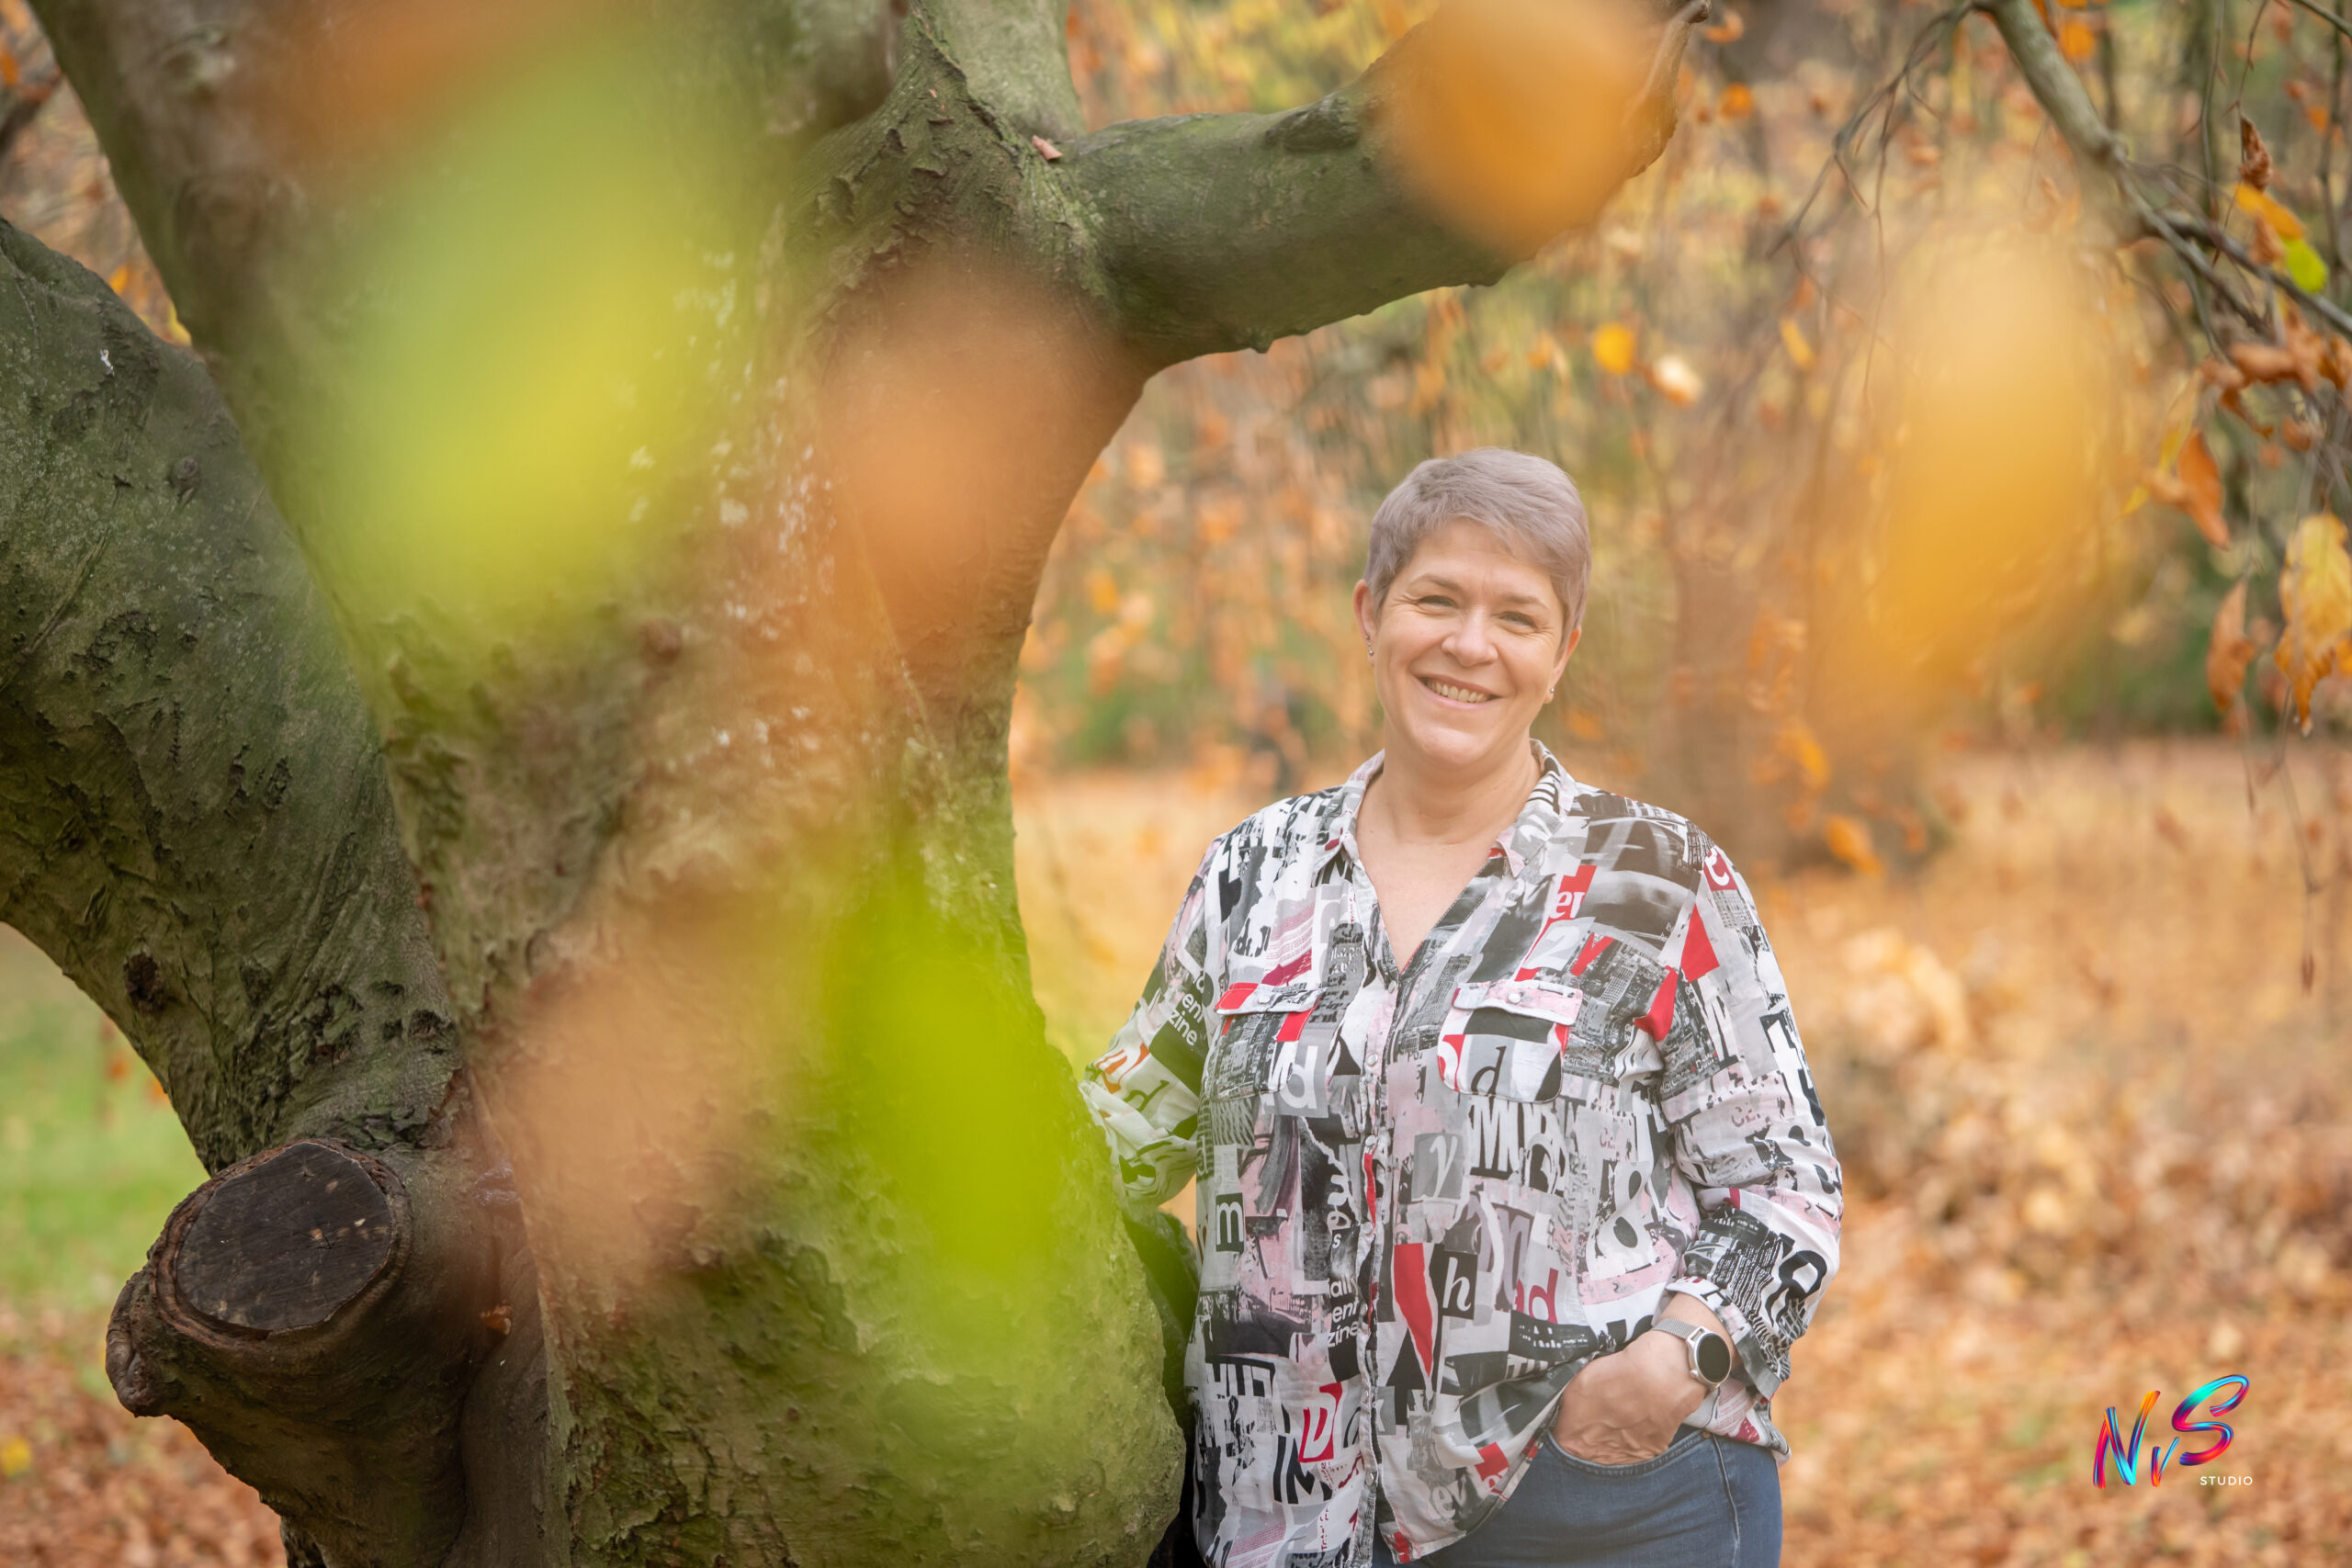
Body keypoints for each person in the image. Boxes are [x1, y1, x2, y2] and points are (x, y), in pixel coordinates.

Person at [1080, 449, 1842, 1568]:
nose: (1469, 644)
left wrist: (1672, 1367)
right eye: (1436, 599)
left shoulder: (1657, 882)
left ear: (1562, 651)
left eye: (1516, 616)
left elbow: (1784, 1187)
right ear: (1369, 613)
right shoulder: (1252, 875)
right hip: (1281, 1521)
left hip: (1591, 1512)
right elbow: (1117, 1137)